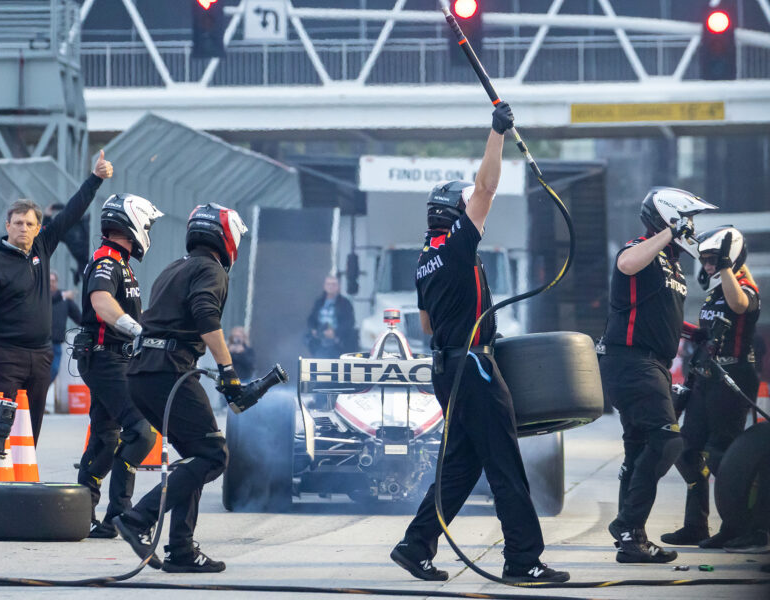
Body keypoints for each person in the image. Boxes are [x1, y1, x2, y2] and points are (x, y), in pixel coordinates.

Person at [390, 103, 569, 584]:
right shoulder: (456, 247)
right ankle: (523, 560)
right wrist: (497, 133)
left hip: (446, 370)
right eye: (469, 209)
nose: (480, 215)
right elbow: (486, 188)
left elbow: (427, 325)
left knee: (460, 468)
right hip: (474, 368)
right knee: (505, 465)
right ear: (456, 214)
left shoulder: (424, 261)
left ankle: (415, 545)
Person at [113, 203, 250, 573]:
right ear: (227, 237)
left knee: (195, 454)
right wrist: (228, 370)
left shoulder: (174, 267)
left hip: (143, 371)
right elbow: (206, 315)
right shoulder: (211, 269)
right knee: (214, 455)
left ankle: (181, 550)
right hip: (168, 370)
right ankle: (138, 519)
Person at [599, 187, 717, 563]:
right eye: (687, 220)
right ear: (670, 218)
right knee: (667, 441)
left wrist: (693, 333)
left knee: (638, 448)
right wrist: (669, 232)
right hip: (633, 362)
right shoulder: (641, 248)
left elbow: (658, 314)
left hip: (650, 366)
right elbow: (625, 264)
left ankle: (631, 541)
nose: (692, 228)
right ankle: (628, 525)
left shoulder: (671, 262)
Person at [0, 150, 114, 445]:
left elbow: (70, 214)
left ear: (38, 228)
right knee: (2, 430)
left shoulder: (42, 247)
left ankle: (24, 473)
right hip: (3, 356)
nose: (23, 228)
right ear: (7, 226)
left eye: (29, 224)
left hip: (41, 355)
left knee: (30, 432)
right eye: (18, 223)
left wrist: (95, 179)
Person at [661, 227, 763, 550]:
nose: (706, 266)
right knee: (686, 449)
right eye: (704, 260)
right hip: (707, 377)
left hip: (733, 377)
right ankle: (696, 526)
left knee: (724, 455)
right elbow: (708, 332)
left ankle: (742, 528)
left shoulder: (743, 287)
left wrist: (725, 267)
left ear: (728, 259)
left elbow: (740, 305)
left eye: (712, 260)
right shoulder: (716, 291)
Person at [75, 194, 164, 539]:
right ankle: (121, 514)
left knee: (105, 435)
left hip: (114, 359)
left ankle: (82, 514)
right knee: (141, 432)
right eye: (147, 225)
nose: (148, 232)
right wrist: (136, 329)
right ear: (133, 223)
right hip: (105, 358)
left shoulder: (121, 263)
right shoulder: (107, 260)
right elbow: (101, 302)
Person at [306, 275, 356, 358]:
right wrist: (314, 329)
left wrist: (335, 333)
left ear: (338, 286)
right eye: (328, 284)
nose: (331, 286)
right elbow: (311, 319)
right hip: (320, 343)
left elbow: (349, 322)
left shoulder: (345, 303)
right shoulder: (319, 302)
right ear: (324, 286)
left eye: (333, 284)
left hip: (338, 344)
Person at [50, 271, 82, 383]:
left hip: (56, 343)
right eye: (49, 281)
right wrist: (64, 295)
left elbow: (79, 317)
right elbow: (51, 299)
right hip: (42, 344)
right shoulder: (42, 297)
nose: (51, 283)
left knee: (54, 370)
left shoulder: (64, 299)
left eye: (53, 281)